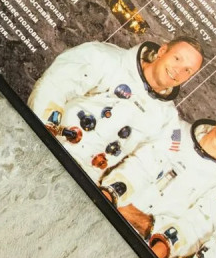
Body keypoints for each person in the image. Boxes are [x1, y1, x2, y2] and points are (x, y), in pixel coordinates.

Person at [99, 97, 216, 258]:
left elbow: (193, 231)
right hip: (105, 205)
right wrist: (109, 197)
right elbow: (136, 166)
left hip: (140, 249)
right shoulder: (175, 131)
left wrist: (141, 222)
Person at [27, 37, 204, 177]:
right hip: (45, 145)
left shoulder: (166, 120)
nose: (178, 70)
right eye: (177, 58)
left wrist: (113, 189)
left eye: (187, 70)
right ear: (162, 51)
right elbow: (54, 86)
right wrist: (45, 128)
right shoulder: (104, 58)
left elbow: (147, 164)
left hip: (84, 178)